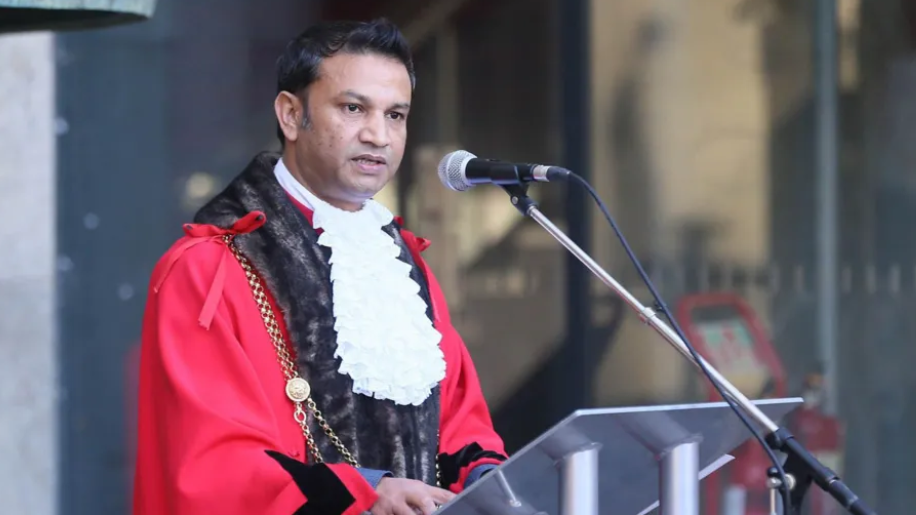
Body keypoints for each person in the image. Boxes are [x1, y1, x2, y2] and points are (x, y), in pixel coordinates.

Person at [133, 18, 507, 515]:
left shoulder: (403, 265)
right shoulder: (208, 269)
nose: (378, 135)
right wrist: (366, 491)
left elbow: (461, 420)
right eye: (353, 108)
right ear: (291, 115)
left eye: (396, 115)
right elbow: (211, 468)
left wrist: (490, 478)